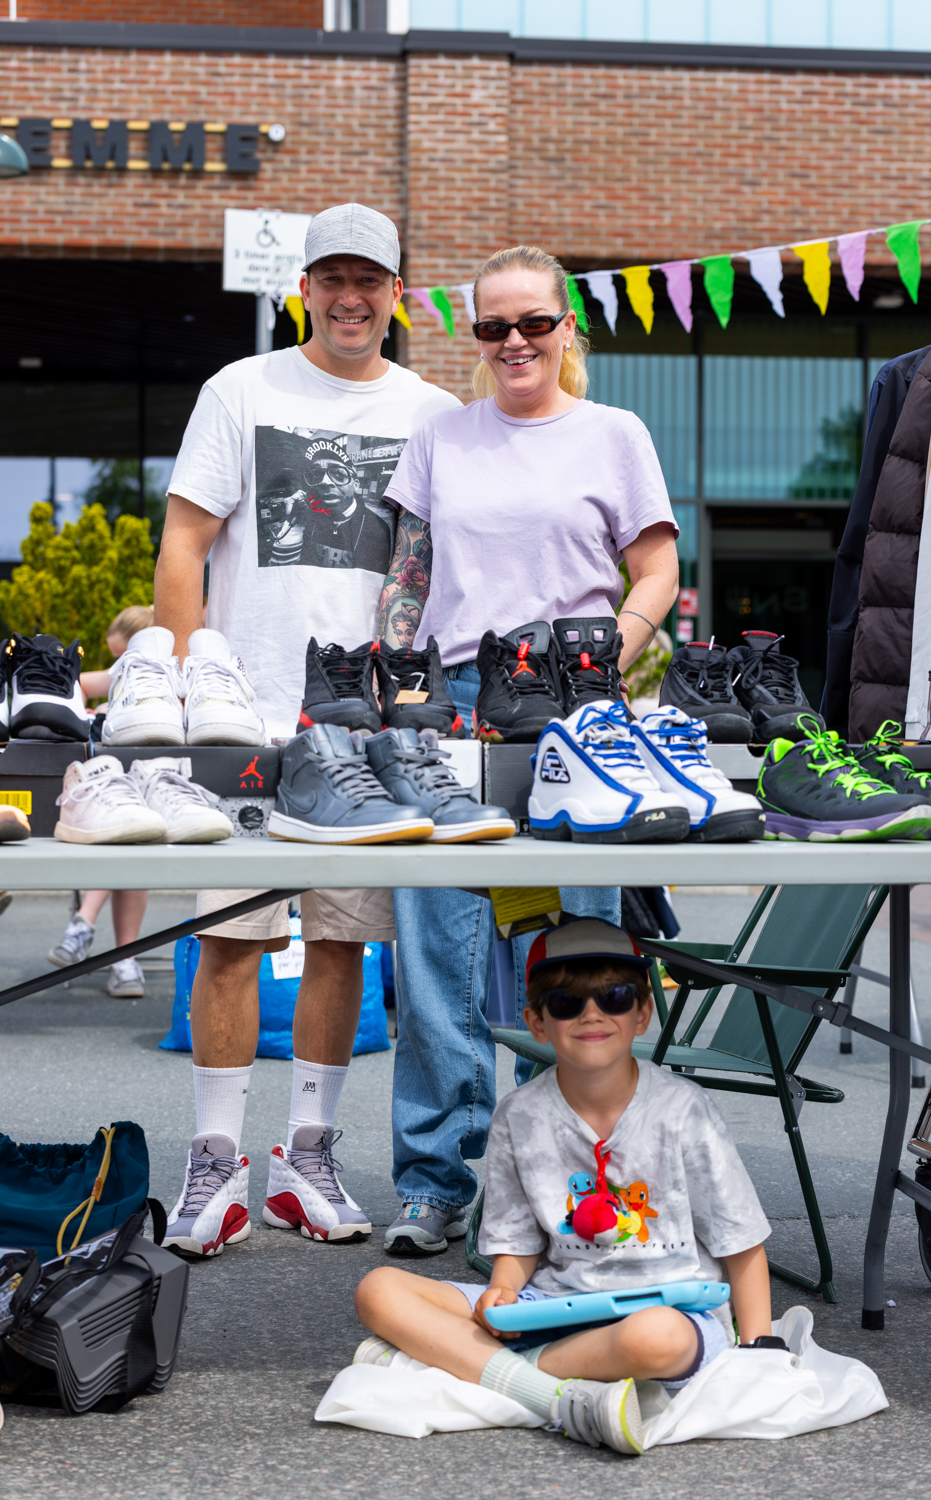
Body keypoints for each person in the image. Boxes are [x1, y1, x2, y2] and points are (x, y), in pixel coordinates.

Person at [153, 202, 461, 1257]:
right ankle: (212, 1163)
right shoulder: (241, 390)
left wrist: (407, 703)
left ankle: (306, 1155)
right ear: (305, 290)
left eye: (367, 279)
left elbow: (424, 572)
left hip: (366, 733)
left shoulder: (432, 410)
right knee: (230, 942)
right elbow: (185, 543)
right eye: (330, 277)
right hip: (246, 716)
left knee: (342, 945)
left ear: (394, 294)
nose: (348, 297)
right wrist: (188, 682)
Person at [377, 244, 679, 1254]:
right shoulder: (441, 437)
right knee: (435, 955)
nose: (513, 342)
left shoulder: (613, 434)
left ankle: (570, 1176)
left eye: (532, 324)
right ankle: (434, 1181)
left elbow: (655, 572)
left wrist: (603, 659)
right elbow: (408, 577)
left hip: (571, 704)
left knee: (573, 949)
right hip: (456, 703)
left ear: (567, 330)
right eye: (493, 327)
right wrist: (393, 689)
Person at [354, 918, 775, 1457]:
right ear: (536, 1021)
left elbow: (741, 1241)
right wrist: (503, 1292)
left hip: (673, 1314)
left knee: (656, 1337)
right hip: (554, 1306)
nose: (592, 1012)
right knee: (380, 1289)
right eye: (565, 1002)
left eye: (615, 996)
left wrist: (761, 1347)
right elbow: (517, 1244)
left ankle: (492, 1373)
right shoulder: (517, 1115)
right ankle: (554, 1396)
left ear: (642, 1012)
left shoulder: (684, 1109)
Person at [48, 604, 155, 999]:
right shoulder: (125, 674)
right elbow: (74, 685)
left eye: (121, 655)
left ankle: (83, 924)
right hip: (126, 795)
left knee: (129, 835)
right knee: (129, 840)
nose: (119, 665)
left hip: (149, 789)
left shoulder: (151, 669)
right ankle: (124, 958)